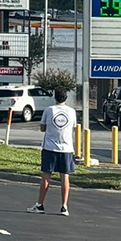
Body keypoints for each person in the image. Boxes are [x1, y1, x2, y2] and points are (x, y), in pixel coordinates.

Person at [29, 87, 77, 216]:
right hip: (66, 148)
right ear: (66, 98)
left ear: (54, 97)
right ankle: (64, 206)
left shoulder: (49, 110)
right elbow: (72, 126)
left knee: (46, 175)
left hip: (50, 147)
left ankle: (40, 204)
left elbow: (42, 128)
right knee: (65, 176)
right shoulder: (72, 112)